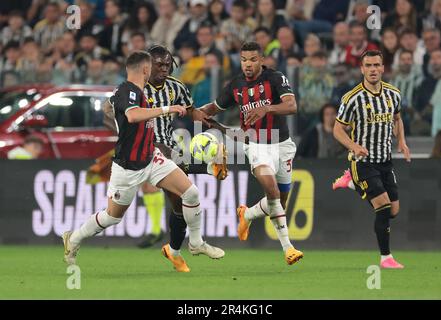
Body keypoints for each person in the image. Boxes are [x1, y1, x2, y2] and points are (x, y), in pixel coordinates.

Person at [62, 51, 225, 270]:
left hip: (151, 156)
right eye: (157, 65)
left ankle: (196, 243)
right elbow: (132, 116)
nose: (165, 69)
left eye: (168, 65)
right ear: (146, 69)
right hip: (128, 165)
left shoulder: (153, 89)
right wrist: (167, 109)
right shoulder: (127, 90)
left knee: (190, 192)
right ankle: (73, 238)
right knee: (112, 216)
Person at [199, 42, 304, 265]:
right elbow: (213, 108)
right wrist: (193, 112)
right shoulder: (235, 86)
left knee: (279, 201)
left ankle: (247, 214)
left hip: (282, 144)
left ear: (262, 59)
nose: (248, 64)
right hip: (255, 144)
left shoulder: (275, 78)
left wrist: (267, 108)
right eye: (244, 59)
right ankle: (288, 248)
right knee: (272, 190)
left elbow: (292, 106)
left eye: (253, 59)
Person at [332, 50, 411, 269]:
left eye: (377, 65)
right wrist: (353, 145)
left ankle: (350, 183)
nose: (373, 69)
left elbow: (397, 118)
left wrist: (402, 141)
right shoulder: (352, 98)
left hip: (385, 161)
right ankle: (386, 258)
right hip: (362, 162)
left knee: (393, 210)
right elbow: (337, 129)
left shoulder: (393, 94)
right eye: (368, 65)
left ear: (383, 68)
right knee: (383, 205)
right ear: (362, 69)